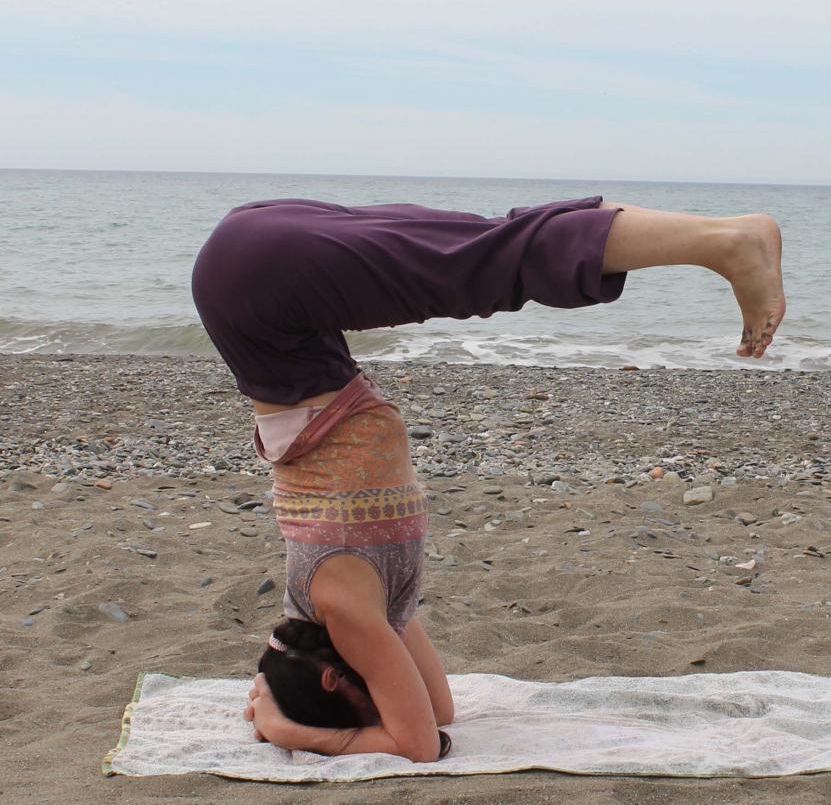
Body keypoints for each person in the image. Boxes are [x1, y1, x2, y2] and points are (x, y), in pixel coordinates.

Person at [190, 195, 784, 762]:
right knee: (490, 241)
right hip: (257, 273)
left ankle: (728, 242)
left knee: (489, 259)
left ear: (331, 675)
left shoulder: (345, 609)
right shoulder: (378, 611)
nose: (391, 699)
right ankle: (702, 233)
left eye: (372, 701)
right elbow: (437, 714)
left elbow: (416, 744)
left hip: (255, 285)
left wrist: (291, 730)